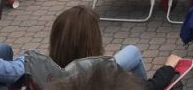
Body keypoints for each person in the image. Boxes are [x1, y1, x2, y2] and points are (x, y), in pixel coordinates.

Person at [49, 5, 184, 87]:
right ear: (92, 43)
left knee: (132, 51)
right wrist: (168, 67)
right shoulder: (104, 76)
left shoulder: (43, 69)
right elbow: (151, 87)